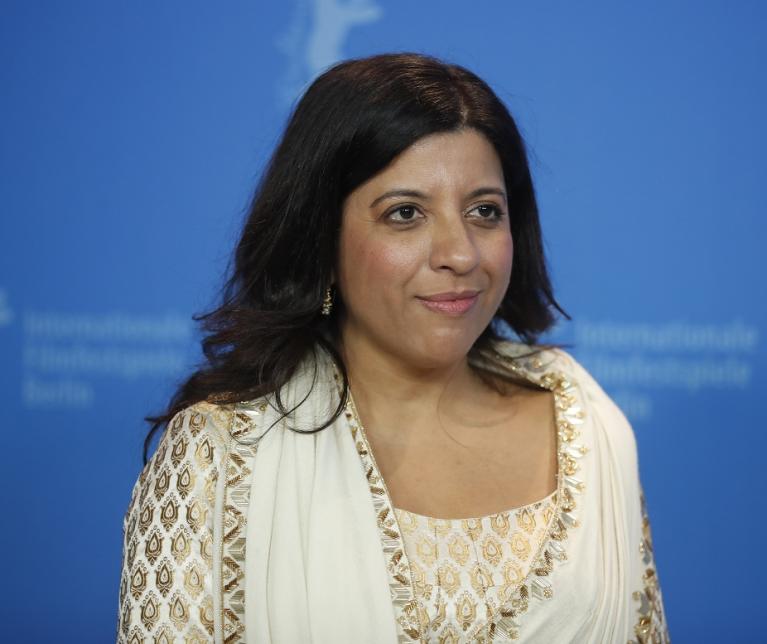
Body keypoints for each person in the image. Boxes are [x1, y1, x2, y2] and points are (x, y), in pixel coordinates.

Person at [116, 52, 669, 644]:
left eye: (485, 211)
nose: (460, 254)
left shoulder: (587, 423)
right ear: (320, 238)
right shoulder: (218, 455)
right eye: (405, 214)